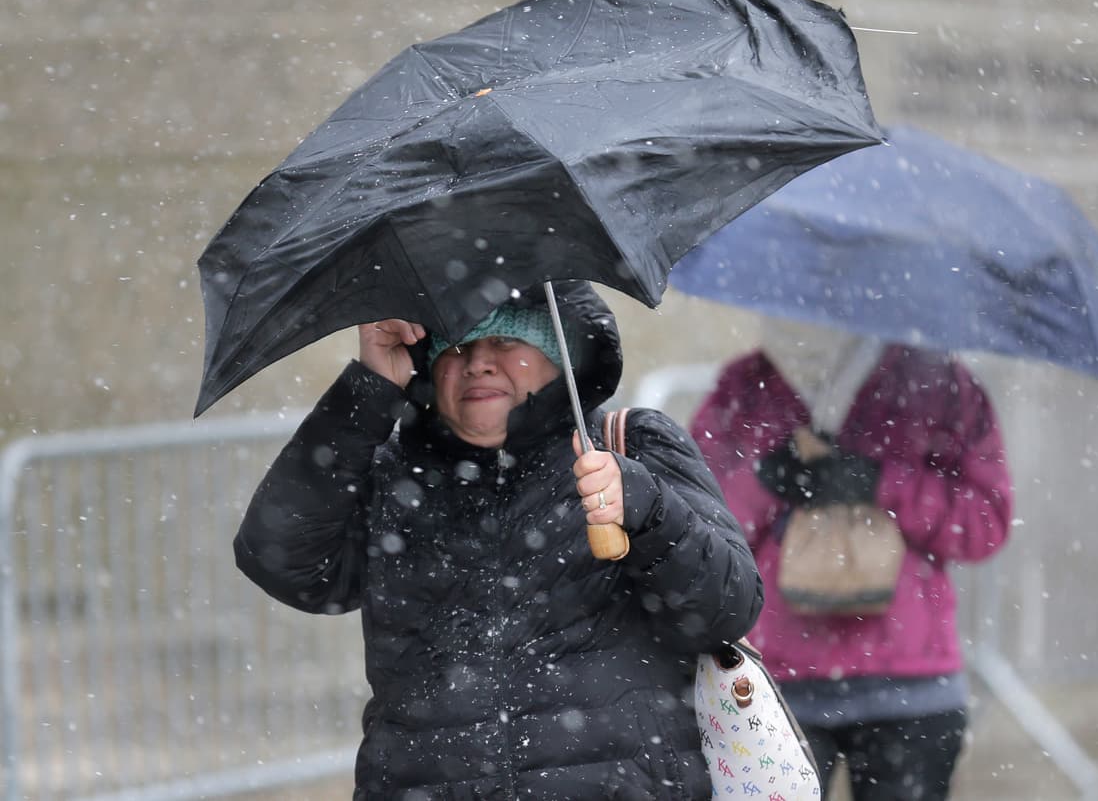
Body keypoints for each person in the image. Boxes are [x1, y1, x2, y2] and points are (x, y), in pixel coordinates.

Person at [234, 281, 763, 799]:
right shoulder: (391, 475)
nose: (478, 362)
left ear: (564, 354)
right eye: (457, 345)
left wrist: (647, 510)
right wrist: (370, 386)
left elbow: (727, 607)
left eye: (508, 341)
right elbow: (282, 562)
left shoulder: (632, 447)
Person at [689, 323, 1013, 801]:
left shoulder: (938, 386)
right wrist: (766, 481)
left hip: (909, 685)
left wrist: (880, 482)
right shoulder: (747, 387)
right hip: (775, 686)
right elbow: (697, 522)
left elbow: (984, 521)